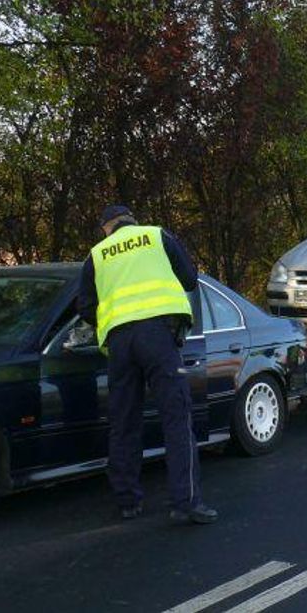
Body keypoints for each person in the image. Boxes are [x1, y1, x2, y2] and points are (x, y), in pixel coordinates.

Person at [77, 206, 218, 525]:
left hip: (120, 343)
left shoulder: (96, 255)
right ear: (132, 221)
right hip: (159, 337)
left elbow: (85, 305)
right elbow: (190, 278)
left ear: (106, 229)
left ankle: (127, 501)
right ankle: (186, 502)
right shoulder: (156, 235)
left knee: (123, 421)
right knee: (176, 416)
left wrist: (114, 318)